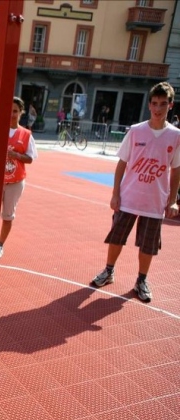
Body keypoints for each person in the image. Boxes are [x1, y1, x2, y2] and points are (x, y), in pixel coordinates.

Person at [91, 82, 180, 303]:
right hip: (129, 197)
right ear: (149, 104)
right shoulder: (136, 131)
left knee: (148, 244)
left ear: (171, 105)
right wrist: (115, 193)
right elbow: (122, 164)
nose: (158, 109)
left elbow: (176, 171)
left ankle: (141, 280)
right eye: (154, 104)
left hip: (155, 202)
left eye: (163, 104)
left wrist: (172, 201)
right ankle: (109, 271)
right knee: (116, 237)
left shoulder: (176, 136)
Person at [0, 97, 38, 260]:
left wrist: (18, 155)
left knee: (7, 215)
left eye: (15, 111)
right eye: (9, 110)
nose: (11, 114)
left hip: (15, 182)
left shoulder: (26, 134)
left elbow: (31, 158)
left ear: (21, 113)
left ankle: (0, 244)